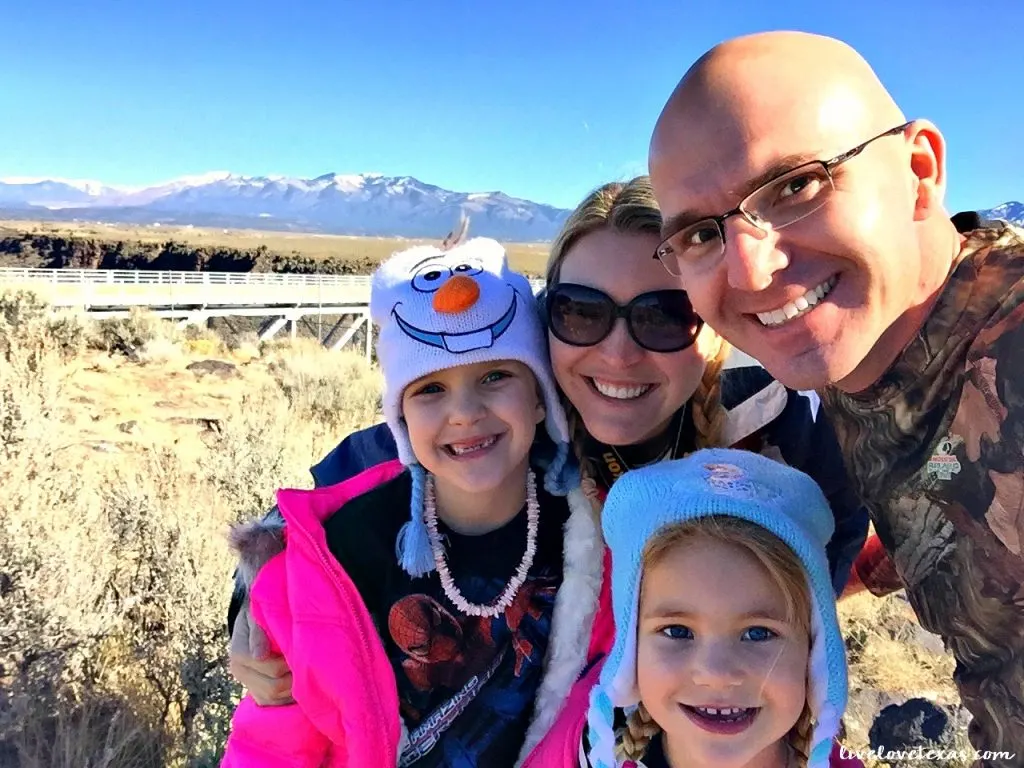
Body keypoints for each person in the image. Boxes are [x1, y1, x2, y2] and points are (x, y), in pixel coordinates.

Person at [227, 179, 868, 712]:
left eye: (663, 316)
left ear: (709, 327)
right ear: (542, 327)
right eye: (581, 312)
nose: (618, 353)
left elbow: (815, 611)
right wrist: (251, 614)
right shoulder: (503, 431)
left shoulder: (783, 436)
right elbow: (322, 507)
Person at [648, 30, 1024, 761]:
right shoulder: (860, 358)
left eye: (795, 186)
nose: (752, 272)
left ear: (920, 172)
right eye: (699, 233)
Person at [220, 236, 605, 767]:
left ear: (540, 396)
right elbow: (280, 734)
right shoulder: (350, 546)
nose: (465, 412)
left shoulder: (596, 536)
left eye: (495, 376)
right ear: (399, 418)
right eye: (430, 389)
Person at [575, 450, 862, 768]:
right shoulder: (576, 752)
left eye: (758, 633)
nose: (717, 674)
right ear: (629, 652)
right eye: (677, 631)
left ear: (815, 654)